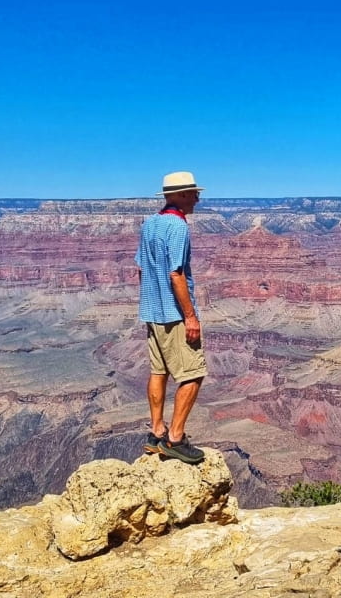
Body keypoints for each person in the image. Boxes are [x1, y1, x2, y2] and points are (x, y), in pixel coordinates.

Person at [135, 171, 208, 464]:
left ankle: (156, 433)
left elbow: (141, 269)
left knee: (159, 372)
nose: (197, 198)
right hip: (173, 315)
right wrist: (190, 317)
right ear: (180, 195)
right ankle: (175, 439)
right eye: (193, 193)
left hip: (152, 312)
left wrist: (152, 298)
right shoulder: (177, 227)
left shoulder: (150, 223)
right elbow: (176, 274)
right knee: (193, 374)